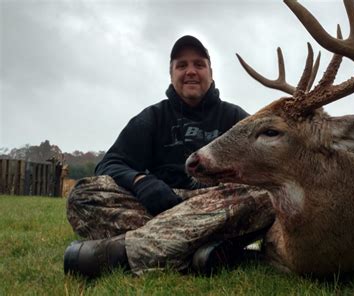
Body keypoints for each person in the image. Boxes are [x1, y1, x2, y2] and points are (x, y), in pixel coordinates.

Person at [64, 35, 275, 278]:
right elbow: (110, 163)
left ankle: (124, 252)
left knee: (267, 195)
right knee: (82, 196)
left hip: (217, 203)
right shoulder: (153, 117)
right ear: (171, 74)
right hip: (163, 204)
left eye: (198, 64)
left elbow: (266, 166)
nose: (191, 72)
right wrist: (141, 183)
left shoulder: (237, 119)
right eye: (182, 65)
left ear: (211, 71)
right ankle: (207, 250)